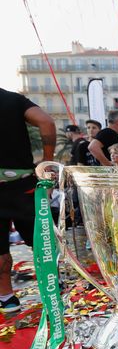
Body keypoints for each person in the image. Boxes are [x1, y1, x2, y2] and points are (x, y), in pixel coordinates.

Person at [0, 88, 56, 312]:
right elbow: (47, 122)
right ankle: (52, 286)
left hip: (18, 187)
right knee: (42, 241)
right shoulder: (12, 99)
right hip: (24, 183)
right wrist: (46, 163)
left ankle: (6, 297)